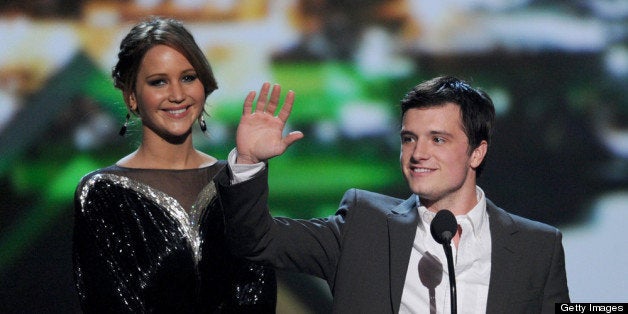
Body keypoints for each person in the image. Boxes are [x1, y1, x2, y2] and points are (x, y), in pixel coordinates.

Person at [217, 76, 570, 313]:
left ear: (477, 152)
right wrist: (248, 161)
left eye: (438, 139)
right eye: (408, 138)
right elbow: (257, 241)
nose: (418, 154)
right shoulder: (362, 224)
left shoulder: (537, 247)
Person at [72, 17, 276, 313]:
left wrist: (250, 170)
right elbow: (108, 303)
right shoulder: (102, 193)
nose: (178, 94)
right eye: (159, 82)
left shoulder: (236, 179)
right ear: (131, 97)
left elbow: (258, 291)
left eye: (188, 77)